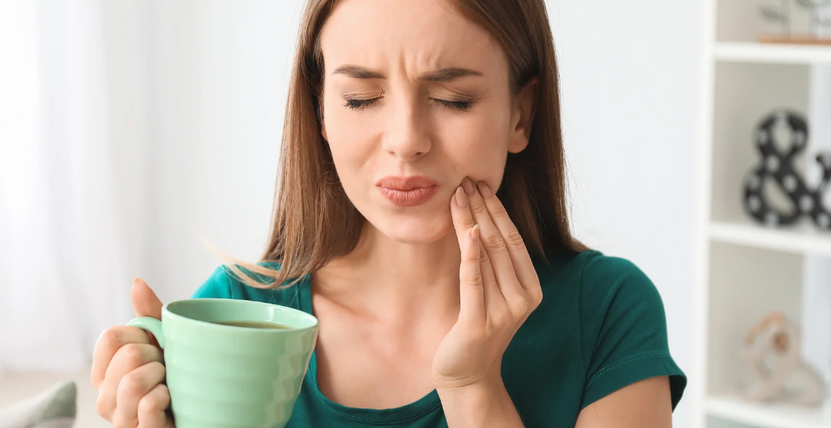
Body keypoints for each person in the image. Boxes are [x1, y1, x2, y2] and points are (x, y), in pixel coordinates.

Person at [91, 0, 687, 426]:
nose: (406, 140)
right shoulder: (241, 315)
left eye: (453, 99)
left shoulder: (609, 313)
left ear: (520, 115)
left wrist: (474, 388)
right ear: (322, 112)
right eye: (362, 98)